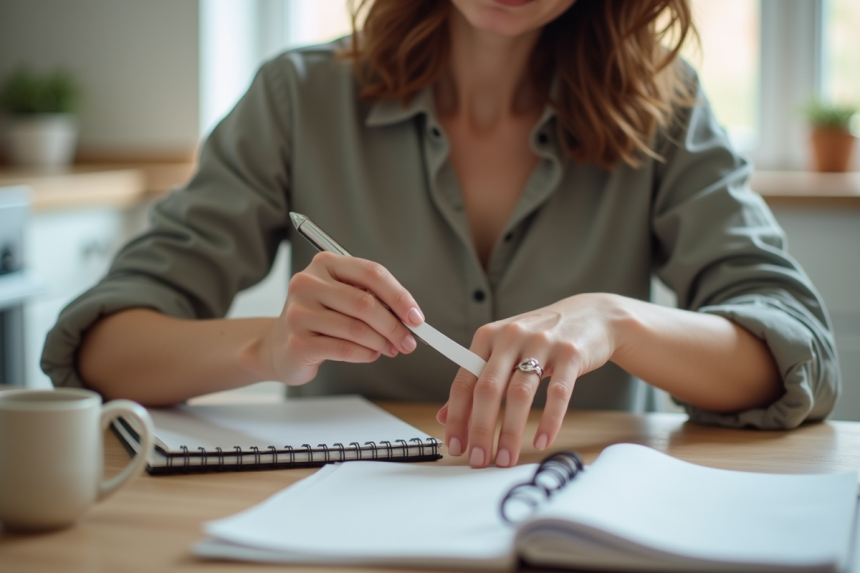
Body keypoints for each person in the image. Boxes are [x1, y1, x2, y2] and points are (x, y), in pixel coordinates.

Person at [42, 0, 838, 469]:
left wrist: (616, 320)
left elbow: (794, 353)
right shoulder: (297, 99)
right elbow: (102, 348)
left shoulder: (670, 108)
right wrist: (268, 349)